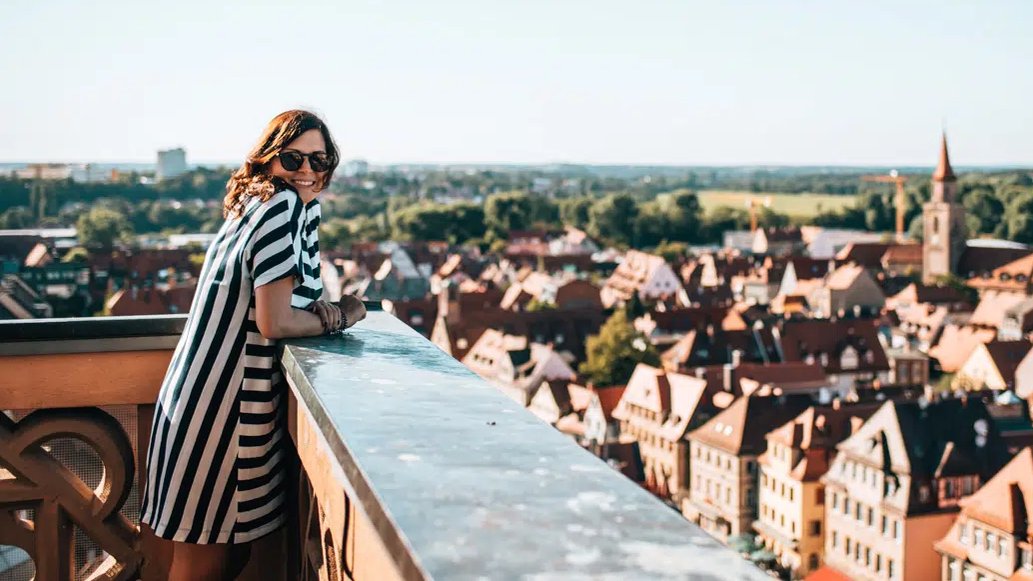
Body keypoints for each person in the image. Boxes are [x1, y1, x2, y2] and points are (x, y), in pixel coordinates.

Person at [139, 109, 366, 580]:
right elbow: (276, 319)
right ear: (268, 160)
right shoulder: (280, 208)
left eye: (320, 159)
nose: (307, 169)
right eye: (293, 157)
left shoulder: (265, 206)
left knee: (225, 558)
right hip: (222, 412)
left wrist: (318, 309)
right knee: (204, 566)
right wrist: (343, 315)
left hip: (211, 402)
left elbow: (283, 302)